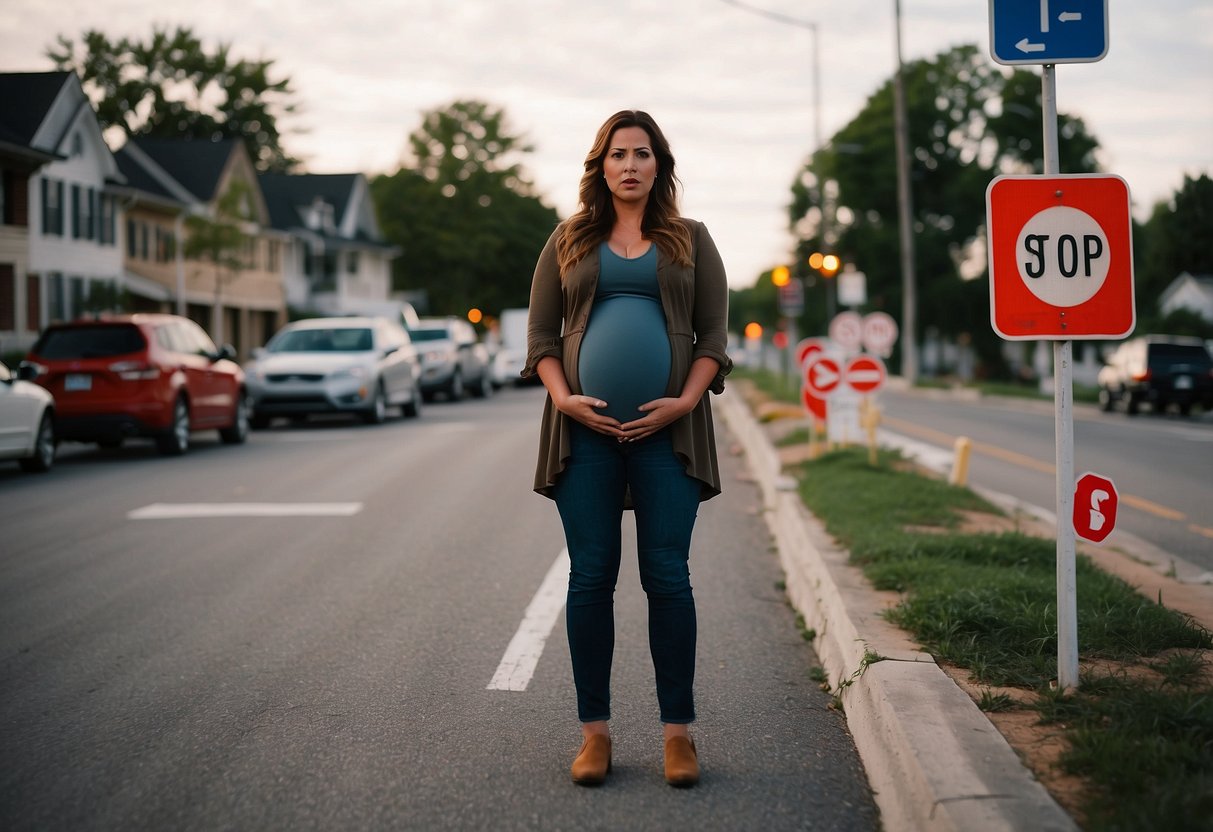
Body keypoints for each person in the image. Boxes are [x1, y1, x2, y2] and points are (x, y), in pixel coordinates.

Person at [522, 110, 732, 788]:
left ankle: (677, 736)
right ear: (601, 165)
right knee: (589, 579)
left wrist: (683, 401)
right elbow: (541, 342)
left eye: (643, 154)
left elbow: (712, 342)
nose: (631, 165)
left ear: (658, 166)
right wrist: (562, 397)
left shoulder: (692, 241)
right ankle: (595, 735)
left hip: (667, 433)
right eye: (619, 154)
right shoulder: (568, 239)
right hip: (583, 435)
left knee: (666, 577)